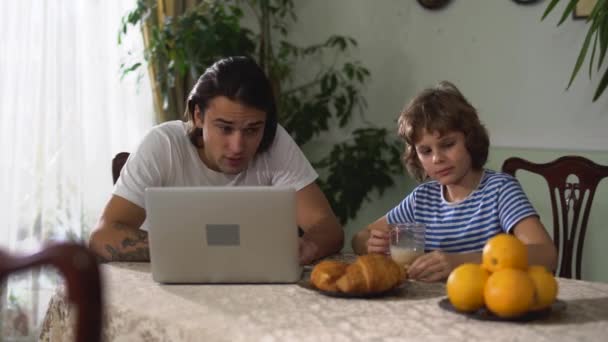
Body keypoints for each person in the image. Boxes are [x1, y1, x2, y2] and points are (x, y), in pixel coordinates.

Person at [89, 56, 343, 264]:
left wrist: (307, 247)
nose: (238, 146)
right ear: (198, 115)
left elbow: (327, 227)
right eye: (225, 128)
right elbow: (102, 237)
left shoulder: (275, 142)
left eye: (252, 129)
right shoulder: (163, 144)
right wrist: (197, 249)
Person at [351, 81, 557, 282]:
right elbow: (360, 237)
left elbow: (546, 254)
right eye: (425, 151)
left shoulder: (500, 191)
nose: (437, 158)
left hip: (485, 304)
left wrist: (462, 262)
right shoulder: (421, 199)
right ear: (416, 156)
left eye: (448, 144)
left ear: (470, 139)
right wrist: (370, 244)